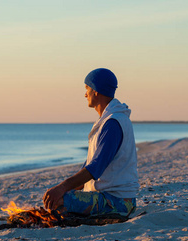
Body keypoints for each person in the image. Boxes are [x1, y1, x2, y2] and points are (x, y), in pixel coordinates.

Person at [43, 68, 139, 216]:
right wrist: (67, 188)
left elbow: (95, 168)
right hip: (108, 197)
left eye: (87, 88)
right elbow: (89, 165)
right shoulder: (108, 120)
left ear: (96, 91)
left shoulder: (113, 123)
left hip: (118, 202)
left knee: (61, 201)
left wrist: (62, 188)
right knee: (59, 197)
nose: (85, 94)